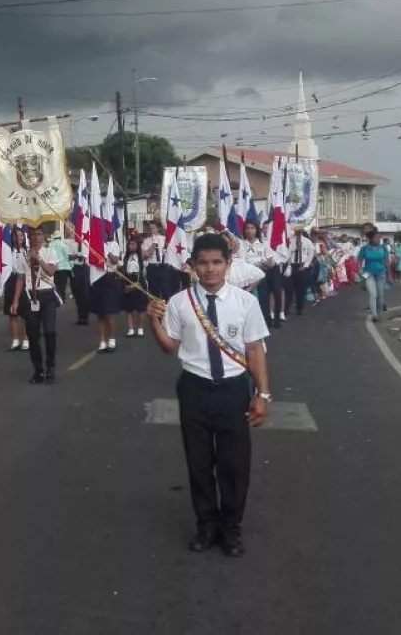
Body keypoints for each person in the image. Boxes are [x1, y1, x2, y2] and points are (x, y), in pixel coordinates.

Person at [146, 233, 272, 558]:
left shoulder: (246, 303)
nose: (210, 269)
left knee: (234, 463)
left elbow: (255, 350)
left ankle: (231, 528)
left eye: (217, 262)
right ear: (192, 266)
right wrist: (154, 322)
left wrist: (263, 395)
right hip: (194, 388)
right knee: (199, 462)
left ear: (228, 265)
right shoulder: (179, 302)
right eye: (203, 263)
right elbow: (168, 347)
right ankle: (206, 525)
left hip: (233, 390)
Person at [11, 227, 62, 384]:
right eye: (33, 234)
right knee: (33, 335)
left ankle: (51, 367)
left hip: (47, 296)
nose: (36, 237)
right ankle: (38, 370)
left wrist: (38, 258)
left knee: (50, 332)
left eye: (39, 234)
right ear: (29, 237)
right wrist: (15, 300)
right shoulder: (23, 255)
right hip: (30, 297)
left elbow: (51, 271)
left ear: (44, 236)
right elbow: (20, 278)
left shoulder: (50, 252)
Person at [91, 237, 123, 352]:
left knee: (110, 313)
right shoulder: (95, 243)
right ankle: (102, 341)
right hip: (98, 279)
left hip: (110, 279)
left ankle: (111, 340)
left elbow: (114, 260)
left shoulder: (113, 244)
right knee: (100, 314)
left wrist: (106, 251)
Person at [356, 225, 392, 322]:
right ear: (371, 239)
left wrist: (389, 275)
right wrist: (360, 271)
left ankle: (379, 313)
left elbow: (387, 262)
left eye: (379, 238)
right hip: (368, 274)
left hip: (381, 274)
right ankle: (374, 315)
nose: (379, 239)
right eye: (376, 238)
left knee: (380, 296)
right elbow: (359, 261)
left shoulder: (383, 249)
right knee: (373, 294)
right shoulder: (364, 249)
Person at [3, 227, 30, 351]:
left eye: (21, 235)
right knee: (12, 313)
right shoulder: (8, 251)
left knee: (25, 313)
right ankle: (15, 340)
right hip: (11, 280)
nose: (18, 237)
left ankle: (26, 339)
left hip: (25, 281)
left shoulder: (27, 251)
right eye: (16, 235)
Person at [283, 226, 316, 317]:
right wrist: (294, 246)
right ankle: (286, 308)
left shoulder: (307, 242)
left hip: (303, 267)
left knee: (300, 290)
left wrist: (305, 266)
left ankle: (299, 308)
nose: (298, 233)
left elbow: (310, 255)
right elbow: (287, 253)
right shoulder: (290, 241)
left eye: (299, 231)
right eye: (296, 231)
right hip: (291, 266)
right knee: (289, 289)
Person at [120, 235, 148, 337]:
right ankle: (131, 329)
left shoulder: (141, 257)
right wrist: (125, 285)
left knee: (141, 308)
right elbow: (123, 270)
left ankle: (140, 328)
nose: (130, 246)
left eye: (133, 244)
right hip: (128, 280)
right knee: (129, 308)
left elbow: (143, 271)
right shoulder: (126, 257)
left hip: (139, 281)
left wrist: (139, 283)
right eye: (129, 244)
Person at [68, 232, 91, 326]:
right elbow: (69, 256)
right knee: (77, 293)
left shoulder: (88, 242)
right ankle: (80, 317)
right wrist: (77, 255)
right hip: (76, 268)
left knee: (86, 293)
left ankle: (85, 317)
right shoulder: (72, 243)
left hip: (86, 268)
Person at [142, 220, 168, 298]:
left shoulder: (164, 239)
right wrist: (154, 243)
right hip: (152, 267)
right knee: (153, 291)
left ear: (158, 229)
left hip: (163, 266)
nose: (151, 230)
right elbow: (146, 255)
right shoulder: (146, 241)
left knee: (165, 291)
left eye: (153, 228)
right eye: (150, 228)